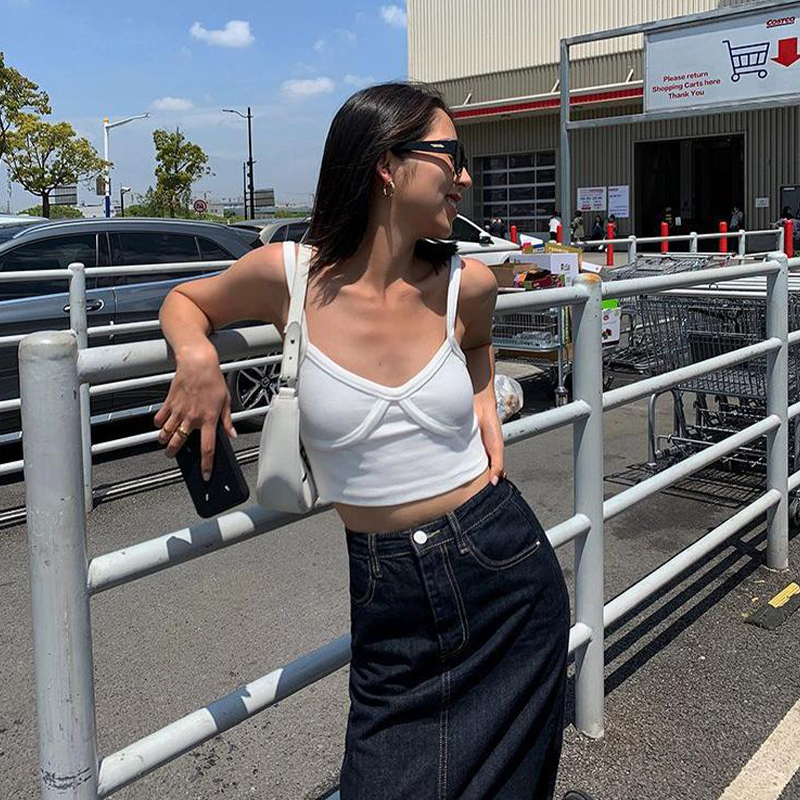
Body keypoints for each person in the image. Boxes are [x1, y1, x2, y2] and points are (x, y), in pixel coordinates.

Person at [154, 83, 592, 800]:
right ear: (387, 165)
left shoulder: (465, 284)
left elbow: (477, 342)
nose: (464, 176)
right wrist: (198, 357)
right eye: (450, 155)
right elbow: (184, 301)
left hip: (504, 566)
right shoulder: (288, 275)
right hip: (389, 590)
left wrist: (483, 395)